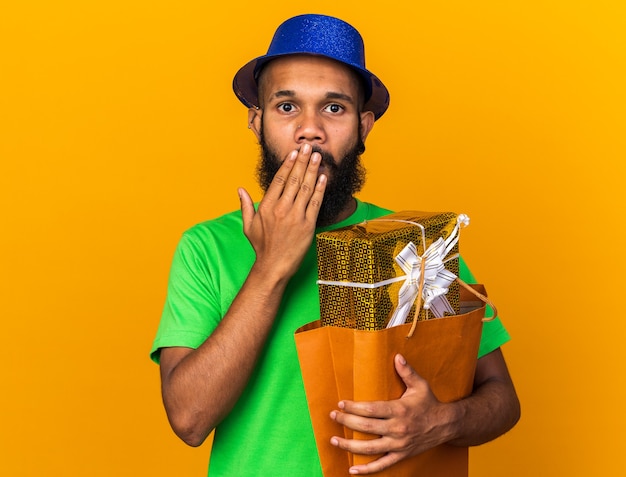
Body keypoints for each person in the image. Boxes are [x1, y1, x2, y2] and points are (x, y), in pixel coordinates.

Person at [150, 13, 520, 476]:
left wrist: (442, 421)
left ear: (364, 127)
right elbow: (188, 419)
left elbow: (502, 398)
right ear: (256, 121)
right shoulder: (206, 247)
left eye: (334, 108)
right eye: (287, 107)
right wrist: (272, 266)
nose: (310, 129)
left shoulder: (414, 243)